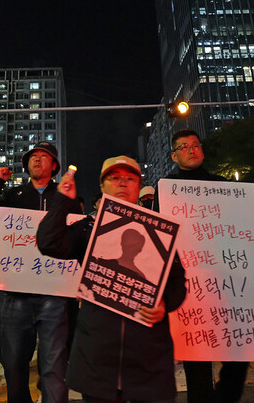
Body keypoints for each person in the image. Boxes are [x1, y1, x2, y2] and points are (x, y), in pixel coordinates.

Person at [37, 155, 187, 403]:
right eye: (114, 178)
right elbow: (48, 243)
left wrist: (164, 305)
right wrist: (62, 201)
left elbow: (178, 283)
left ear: (139, 186)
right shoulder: (87, 228)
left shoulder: (159, 231)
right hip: (97, 359)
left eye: (130, 178)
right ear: (102, 185)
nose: (122, 183)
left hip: (148, 361)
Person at [0, 141, 81, 403]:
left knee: (54, 367)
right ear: (25, 164)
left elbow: (76, 240)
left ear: (55, 165)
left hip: (55, 293)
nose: (37, 160)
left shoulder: (67, 199)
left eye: (44, 156)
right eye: (33, 156)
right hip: (14, 292)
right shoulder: (13, 196)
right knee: (13, 365)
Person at [165, 129, 250, 403]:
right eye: (184, 146)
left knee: (239, 353)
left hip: (226, 279)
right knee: (196, 360)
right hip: (187, 284)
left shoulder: (223, 185)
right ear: (174, 155)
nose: (191, 150)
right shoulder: (166, 189)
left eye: (195, 145)